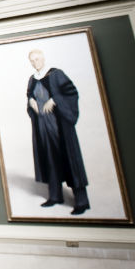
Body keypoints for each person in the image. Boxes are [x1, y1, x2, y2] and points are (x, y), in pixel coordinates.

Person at [26, 49, 90, 215]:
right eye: (32, 60)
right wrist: (31, 100)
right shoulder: (32, 79)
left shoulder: (56, 74)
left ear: (43, 58)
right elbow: (30, 95)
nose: (35, 62)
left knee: (69, 159)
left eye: (37, 58)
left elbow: (71, 92)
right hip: (42, 127)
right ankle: (55, 196)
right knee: (49, 158)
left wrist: (54, 100)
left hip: (59, 125)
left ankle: (81, 201)